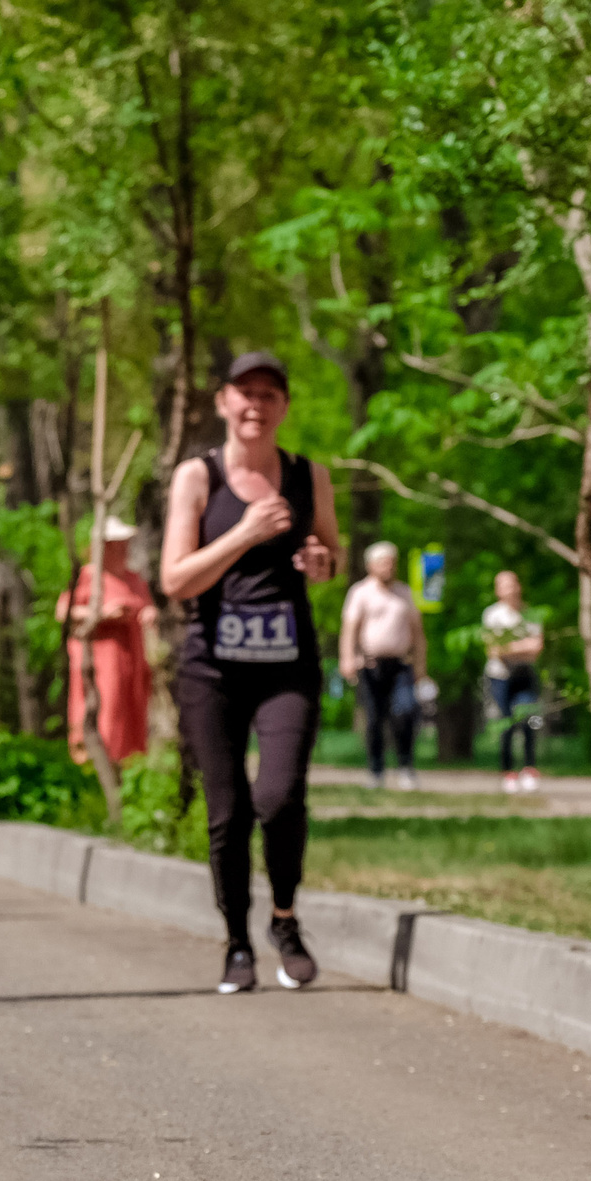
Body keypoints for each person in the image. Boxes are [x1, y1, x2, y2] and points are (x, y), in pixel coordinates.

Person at [159, 349, 341, 995]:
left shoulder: (308, 475)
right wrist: (244, 533)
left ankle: (284, 920)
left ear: (284, 406)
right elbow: (175, 579)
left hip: (287, 665)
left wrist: (321, 561)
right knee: (228, 810)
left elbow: (330, 552)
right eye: (245, 393)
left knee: (280, 795)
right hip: (212, 669)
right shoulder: (197, 477)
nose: (255, 406)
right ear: (223, 402)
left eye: (269, 395)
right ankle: (237, 942)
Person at [56, 516, 155, 767]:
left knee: (132, 712)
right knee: (104, 712)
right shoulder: (87, 577)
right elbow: (63, 612)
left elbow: (146, 606)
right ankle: (93, 765)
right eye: (115, 544)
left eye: (124, 543)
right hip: (99, 661)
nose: (122, 548)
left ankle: (128, 768)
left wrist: (148, 614)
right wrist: (102, 614)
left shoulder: (133, 578)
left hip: (132, 660)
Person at [339, 540, 427, 791]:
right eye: (383, 562)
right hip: (370, 665)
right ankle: (376, 770)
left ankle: (405, 767)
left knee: (405, 712)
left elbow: (418, 632)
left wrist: (421, 666)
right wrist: (347, 658)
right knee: (374, 718)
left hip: (401, 665)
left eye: (392, 562)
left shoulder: (404, 593)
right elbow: (349, 629)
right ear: (371, 565)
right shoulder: (361, 592)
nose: (389, 567)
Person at [483, 569, 545, 794]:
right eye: (504, 585)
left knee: (529, 719)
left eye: (512, 583)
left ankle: (529, 768)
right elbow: (494, 650)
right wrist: (522, 646)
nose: (510, 589)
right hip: (500, 676)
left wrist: (510, 648)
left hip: (525, 674)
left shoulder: (531, 614)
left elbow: (537, 647)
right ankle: (508, 771)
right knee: (506, 722)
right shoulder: (492, 615)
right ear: (498, 590)